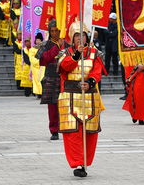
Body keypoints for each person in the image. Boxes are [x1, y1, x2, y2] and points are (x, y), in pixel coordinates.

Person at [57, 21, 103, 178]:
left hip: (89, 96)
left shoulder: (95, 53)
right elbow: (65, 67)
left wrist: (90, 82)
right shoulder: (64, 53)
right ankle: (77, 162)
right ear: (72, 38)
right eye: (77, 36)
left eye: (82, 35)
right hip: (69, 97)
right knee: (73, 133)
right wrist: (76, 55)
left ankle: (84, 162)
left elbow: (97, 71)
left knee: (89, 132)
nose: (80, 38)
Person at [37, 20, 65, 141]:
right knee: (52, 107)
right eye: (52, 31)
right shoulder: (45, 44)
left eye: (56, 31)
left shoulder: (67, 44)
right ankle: (54, 131)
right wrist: (56, 47)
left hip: (64, 78)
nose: (54, 33)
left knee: (65, 105)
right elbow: (43, 60)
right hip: (51, 77)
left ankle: (65, 128)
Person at [29, 33, 45, 97]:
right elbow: (31, 58)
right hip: (35, 67)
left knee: (42, 79)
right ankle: (38, 93)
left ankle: (42, 92)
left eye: (39, 40)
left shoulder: (44, 48)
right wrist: (38, 62)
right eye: (37, 40)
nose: (38, 41)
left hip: (42, 66)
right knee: (36, 80)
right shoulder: (32, 49)